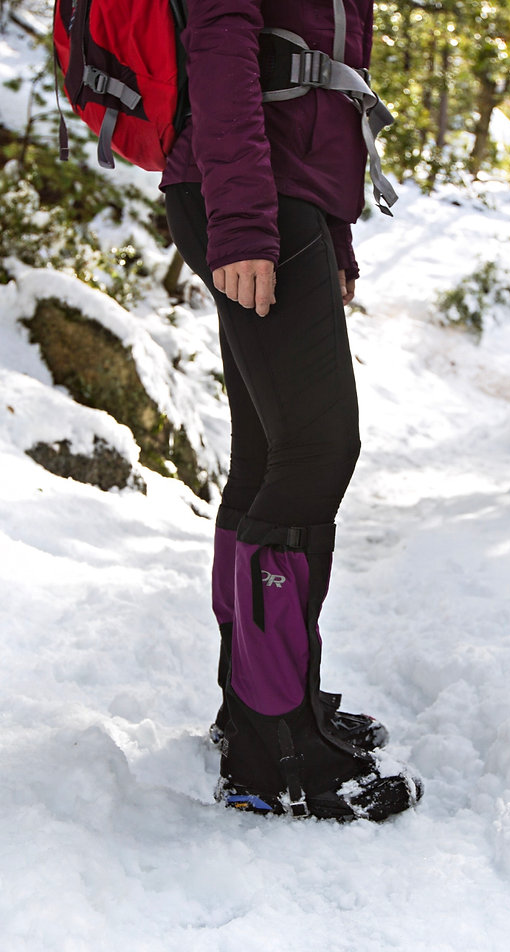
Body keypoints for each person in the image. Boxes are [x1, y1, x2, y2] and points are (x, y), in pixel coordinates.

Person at [162, 0, 421, 821]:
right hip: (251, 195)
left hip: (279, 196)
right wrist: (244, 223)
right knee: (316, 450)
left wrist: (334, 236)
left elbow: (321, 84)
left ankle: (261, 705)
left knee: (270, 454)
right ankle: (276, 752)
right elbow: (221, 44)